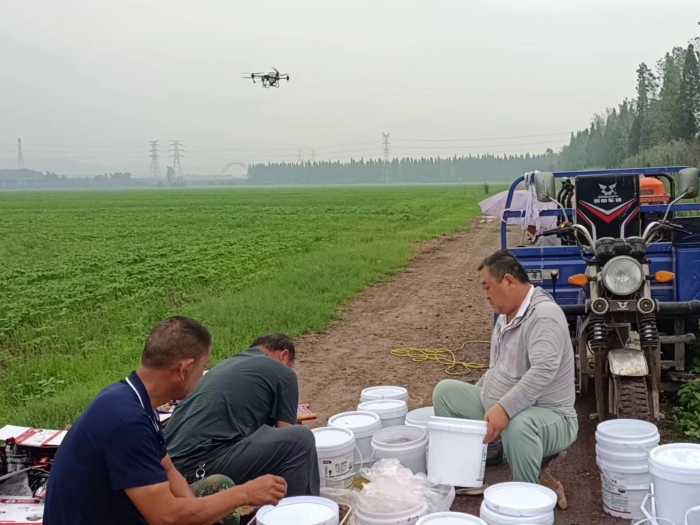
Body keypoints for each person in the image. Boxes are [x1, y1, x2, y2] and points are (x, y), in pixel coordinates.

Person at [44, 316, 287, 525]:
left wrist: (199, 516)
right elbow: (165, 517)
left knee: (217, 488)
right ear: (184, 369)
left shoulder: (134, 398)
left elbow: (168, 469)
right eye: (203, 367)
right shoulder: (127, 421)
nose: (202, 376)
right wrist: (245, 493)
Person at [433, 251, 578, 486]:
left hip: (550, 416)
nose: (485, 295)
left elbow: (542, 371)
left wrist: (504, 409)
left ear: (509, 281)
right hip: (506, 407)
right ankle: (469, 471)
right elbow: (496, 368)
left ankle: (525, 495)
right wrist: (487, 395)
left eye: (487, 287)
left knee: (519, 425)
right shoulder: (505, 316)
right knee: (445, 392)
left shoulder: (544, 316)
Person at [164, 333, 319, 497]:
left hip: (166, 468)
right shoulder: (283, 372)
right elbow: (286, 431)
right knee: (300, 440)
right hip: (196, 469)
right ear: (284, 355)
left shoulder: (228, 365)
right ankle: (303, 509)